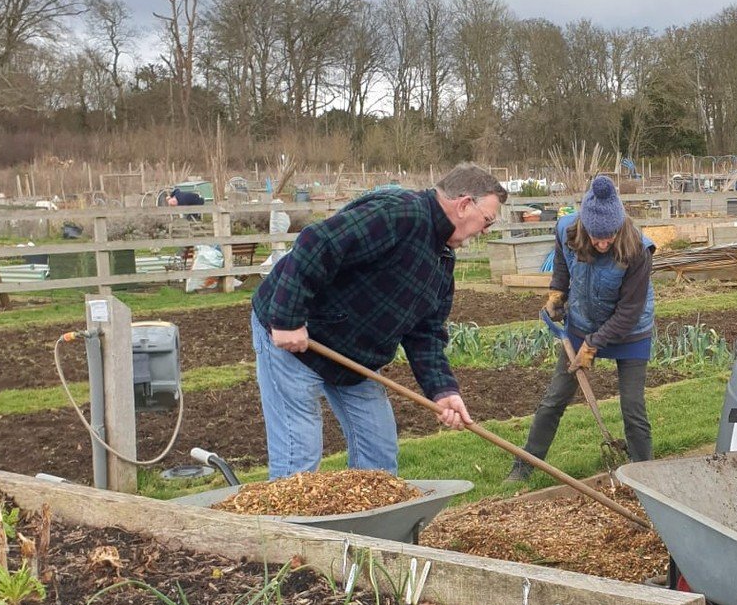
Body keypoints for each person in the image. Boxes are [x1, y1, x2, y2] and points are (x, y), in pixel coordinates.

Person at [250, 163, 505, 479]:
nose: (485, 231)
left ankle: (367, 527)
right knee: (297, 464)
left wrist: (443, 390)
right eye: (487, 221)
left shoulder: (441, 259)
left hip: (355, 358)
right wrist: (288, 318)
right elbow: (318, 242)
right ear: (465, 204)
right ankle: (285, 530)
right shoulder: (398, 214)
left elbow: (425, 331)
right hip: (296, 343)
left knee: (379, 460)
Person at [506, 174, 654, 482]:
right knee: (554, 399)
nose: (602, 244)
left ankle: (645, 475)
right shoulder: (567, 229)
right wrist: (557, 292)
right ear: (585, 228)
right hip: (582, 322)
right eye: (596, 238)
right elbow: (562, 262)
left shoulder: (638, 249)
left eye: (609, 237)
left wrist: (593, 344)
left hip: (630, 331)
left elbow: (628, 312)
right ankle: (524, 467)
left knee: (633, 408)